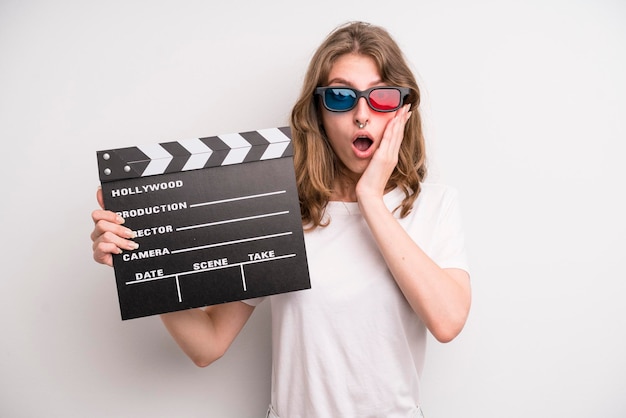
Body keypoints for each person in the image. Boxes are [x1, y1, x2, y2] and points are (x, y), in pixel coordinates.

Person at [91, 21, 471, 418]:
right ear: (319, 112)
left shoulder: (433, 206)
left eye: (381, 97)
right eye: (341, 97)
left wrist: (370, 199)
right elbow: (208, 344)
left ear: (402, 108)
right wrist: (144, 263)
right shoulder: (281, 208)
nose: (362, 115)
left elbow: (447, 321)